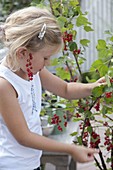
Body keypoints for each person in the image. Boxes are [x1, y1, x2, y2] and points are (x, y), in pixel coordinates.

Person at [0, 6, 106, 170]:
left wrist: (94, 87)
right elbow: (24, 137)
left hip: (31, 163)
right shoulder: (5, 85)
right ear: (23, 53)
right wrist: (70, 149)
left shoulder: (32, 69)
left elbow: (65, 90)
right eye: (45, 57)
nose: (48, 63)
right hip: (12, 166)